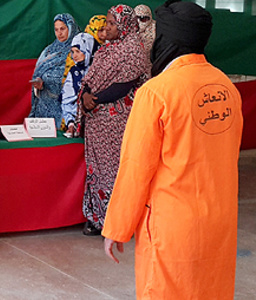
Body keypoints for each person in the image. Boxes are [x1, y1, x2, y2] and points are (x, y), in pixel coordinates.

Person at [103, 1, 243, 298]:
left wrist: (117, 227)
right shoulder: (227, 89)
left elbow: (136, 167)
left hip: (173, 227)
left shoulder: (156, 92)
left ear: (165, 39)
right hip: (220, 222)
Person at [79, 5, 150, 235]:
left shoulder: (134, 50)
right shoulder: (105, 49)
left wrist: (94, 99)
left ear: (123, 25)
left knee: (113, 171)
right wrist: (86, 96)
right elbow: (90, 77)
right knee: (96, 170)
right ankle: (96, 217)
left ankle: (115, 222)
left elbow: (123, 85)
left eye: (111, 23)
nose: (106, 27)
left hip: (116, 122)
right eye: (106, 23)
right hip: (96, 119)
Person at [28, 13, 80, 124]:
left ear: (71, 28)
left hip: (66, 110)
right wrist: (39, 84)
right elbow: (38, 72)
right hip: (44, 110)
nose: (59, 33)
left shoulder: (79, 50)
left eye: (63, 29)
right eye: (56, 30)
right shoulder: (49, 50)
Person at [61, 33, 98, 136]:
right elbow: (67, 100)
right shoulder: (74, 72)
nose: (74, 56)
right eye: (72, 52)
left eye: (78, 51)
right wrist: (71, 124)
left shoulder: (100, 68)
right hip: (79, 124)